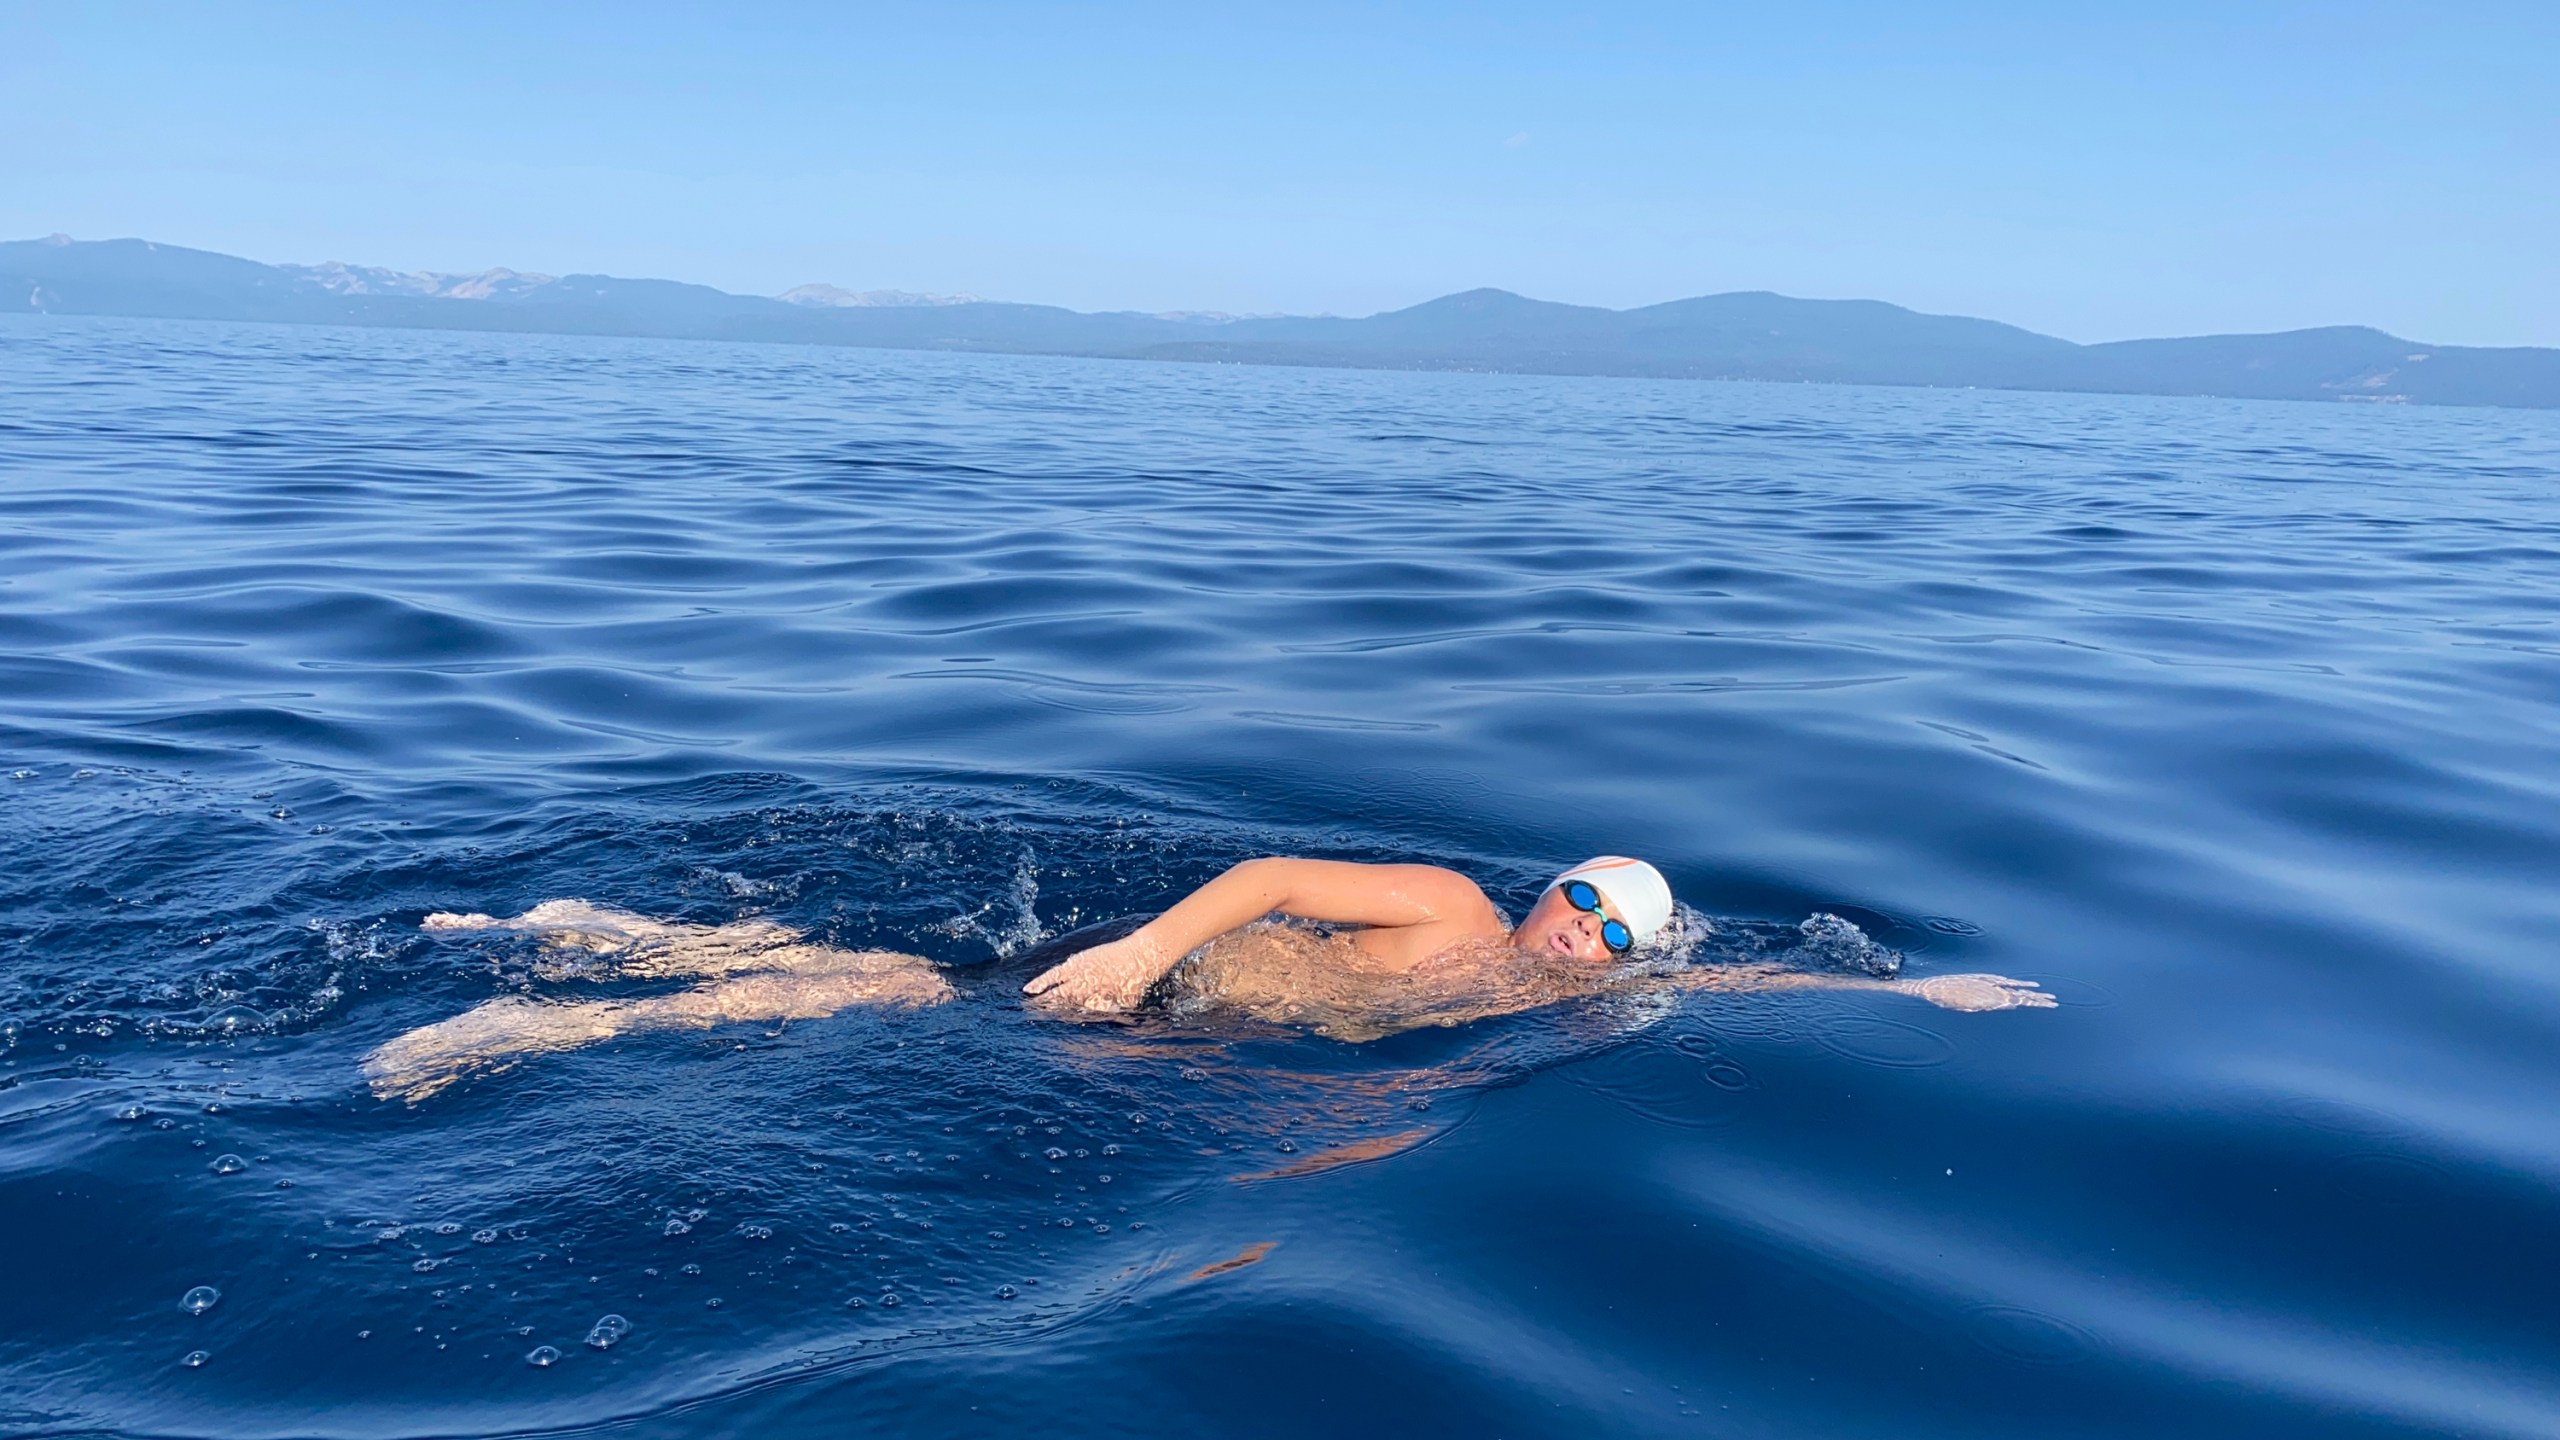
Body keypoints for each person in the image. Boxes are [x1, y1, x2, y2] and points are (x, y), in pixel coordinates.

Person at [361, 856, 2052, 1102]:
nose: (1578, 938)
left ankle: (578, 933)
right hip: (1143, 978)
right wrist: (1140, 953)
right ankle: (558, 994)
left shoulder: (1562, 1005)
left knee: (863, 974)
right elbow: (1263, 877)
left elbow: (1744, 993)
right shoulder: (1451, 905)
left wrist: (1914, 1000)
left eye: (1615, 937)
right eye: (1578, 907)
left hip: (1187, 1033)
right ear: (1549, 890)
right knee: (867, 987)